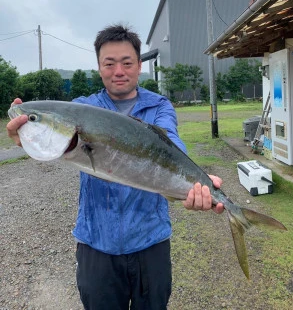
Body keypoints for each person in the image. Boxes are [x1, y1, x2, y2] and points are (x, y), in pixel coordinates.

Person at [7, 24, 224, 310]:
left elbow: (170, 142)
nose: (118, 71)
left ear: (139, 65)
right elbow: (52, 141)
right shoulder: (83, 107)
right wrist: (25, 135)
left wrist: (197, 183)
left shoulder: (159, 106)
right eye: (109, 64)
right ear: (99, 67)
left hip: (151, 243)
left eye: (126, 62)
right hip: (96, 244)